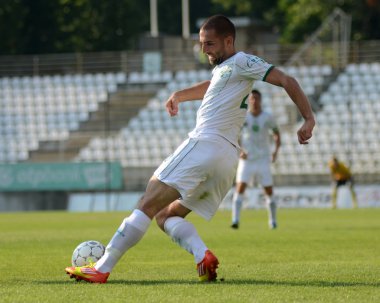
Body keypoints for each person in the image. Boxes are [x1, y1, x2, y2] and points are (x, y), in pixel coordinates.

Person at [65, 15, 315, 284]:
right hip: (226, 160)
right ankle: (202, 256)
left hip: (206, 143)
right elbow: (212, 88)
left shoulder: (242, 60)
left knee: (147, 203)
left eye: (210, 44)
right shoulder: (227, 69)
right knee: (165, 215)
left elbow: (286, 79)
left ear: (229, 41)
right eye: (201, 43)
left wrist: (308, 118)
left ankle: (101, 267)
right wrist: (179, 95)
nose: (204, 50)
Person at [231, 89, 281, 230]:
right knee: (240, 187)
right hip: (247, 158)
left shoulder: (268, 117)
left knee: (268, 190)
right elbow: (235, 135)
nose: (254, 101)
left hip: (263, 158)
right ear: (249, 100)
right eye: (252, 99)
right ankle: (235, 220)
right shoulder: (244, 117)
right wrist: (240, 150)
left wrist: (275, 151)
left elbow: (277, 133)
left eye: (257, 98)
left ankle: (272, 221)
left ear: (260, 100)